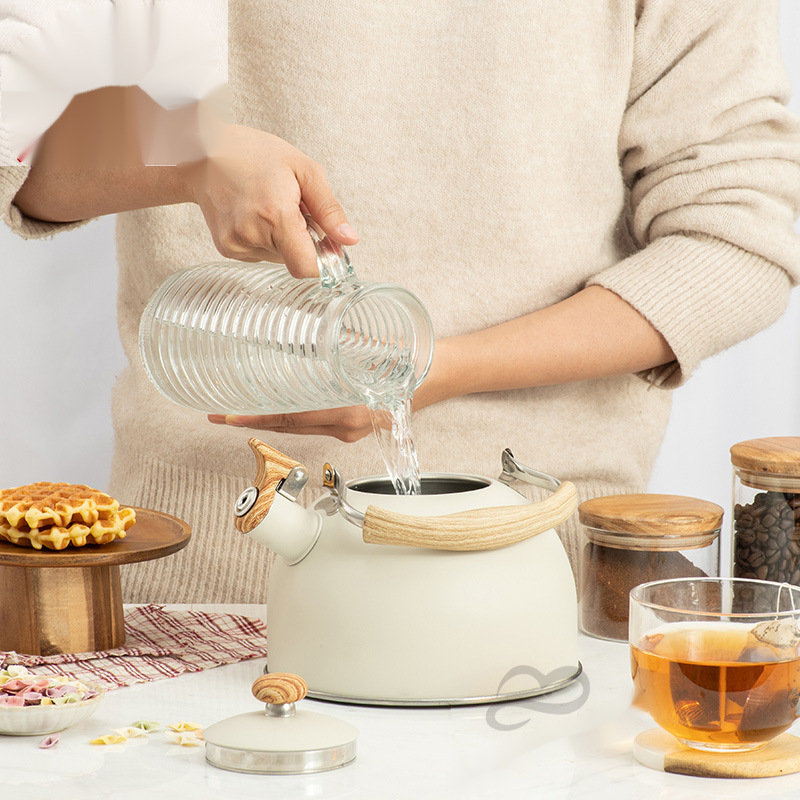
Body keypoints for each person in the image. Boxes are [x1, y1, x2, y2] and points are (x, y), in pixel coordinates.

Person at [2, 1, 799, 602]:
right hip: (205, 579)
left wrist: (442, 368)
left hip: (550, 575)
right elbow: (18, 142)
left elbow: (743, 232)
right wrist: (187, 153)